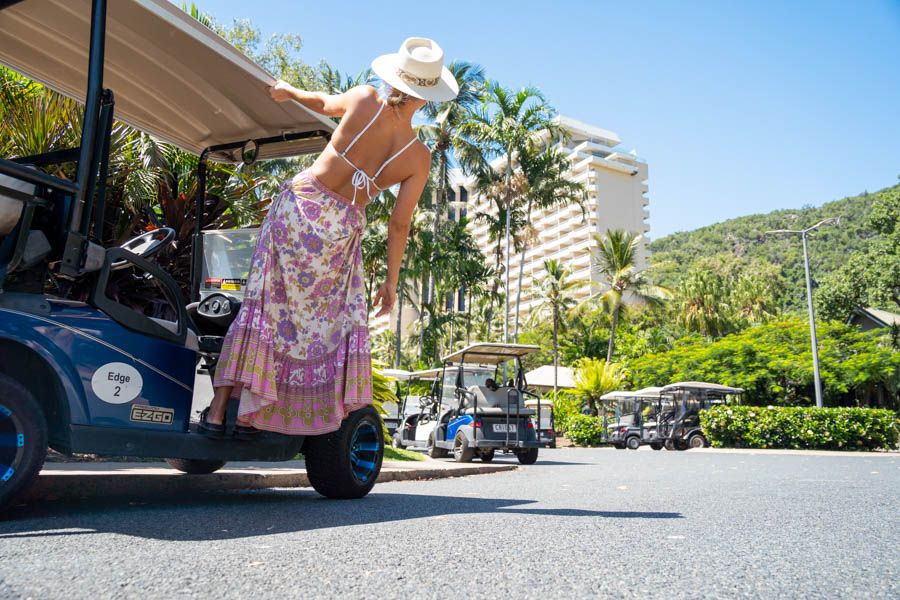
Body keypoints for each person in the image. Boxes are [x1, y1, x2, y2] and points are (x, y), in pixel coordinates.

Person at [199, 38, 459, 438]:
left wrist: (289, 92)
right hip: (340, 234)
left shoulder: (365, 97)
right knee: (310, 328)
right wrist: (390, 282)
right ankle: (261, 417)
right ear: (426, 97)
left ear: (395, 78)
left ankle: (218, 414)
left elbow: (320, 102)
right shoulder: (418, 157)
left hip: (300, 209)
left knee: (265, 308)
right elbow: (398, 225)